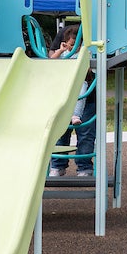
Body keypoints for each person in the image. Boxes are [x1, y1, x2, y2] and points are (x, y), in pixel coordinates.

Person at [48, 23, 95, 178]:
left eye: (76, 44)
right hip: (64, 95)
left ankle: (84, 167)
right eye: (70, 44)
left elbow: (89, 68)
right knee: (61, 133)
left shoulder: (92, 39)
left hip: (85, 94)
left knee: (86, 134)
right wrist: (61, 50)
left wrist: (84, 55)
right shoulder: (64, 37)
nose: (72, 46)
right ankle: (57, 165)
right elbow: (50, 60)